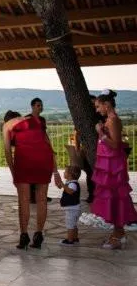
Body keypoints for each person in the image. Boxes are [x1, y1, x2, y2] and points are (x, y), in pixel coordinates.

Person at [3, 109, 61, 250]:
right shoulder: (36, 121)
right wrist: (56, 173)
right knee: (42, 200)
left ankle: (24, 236)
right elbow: (49, 147)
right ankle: (38, 235)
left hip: (25, 161)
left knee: (24, 201)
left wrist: (14, 173)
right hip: (44, 160)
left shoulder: (7, 125)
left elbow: (7, 152)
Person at [90, 90, 137, 250]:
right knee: (113, 197)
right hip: (109, 165)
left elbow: (115, 144)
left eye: (98, 106)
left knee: (116, 197)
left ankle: (119, 235)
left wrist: (100, 133)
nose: (97, 110)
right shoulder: (110, 120)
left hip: (114, 166)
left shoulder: (113, 120)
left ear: (107, 104)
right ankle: (118, 233)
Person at [74, 94, 106, 203]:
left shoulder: (102, 117)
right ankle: (92, 194)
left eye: (94, 104)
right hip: (87, 150)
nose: (93, 106)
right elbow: (77, 133)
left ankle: (99, 194)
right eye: (91, 104)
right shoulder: (83, 117)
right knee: (90, 172)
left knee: (98, 173)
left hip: (102, 149)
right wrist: (77, 149)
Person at [28, 98, 53, 204]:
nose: (41, 107)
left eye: (41, 105)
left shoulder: (42, 119)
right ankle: (32, 197)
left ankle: (41, 195)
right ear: (32, 106)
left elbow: (44, 134)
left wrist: (50, 147)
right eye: (38, 105)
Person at [56, 165, 82, 246]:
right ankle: (75, 238)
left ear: (70, 175)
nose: (64, 172)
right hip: (73, 208)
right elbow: (61, 187)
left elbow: (70, 191)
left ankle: (70, 240)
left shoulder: (73, 184)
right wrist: (60, 184)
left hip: (72, 209)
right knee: (73, 224)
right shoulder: (69, 182)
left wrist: (63, 185)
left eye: (65, 172)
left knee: (70, 225)